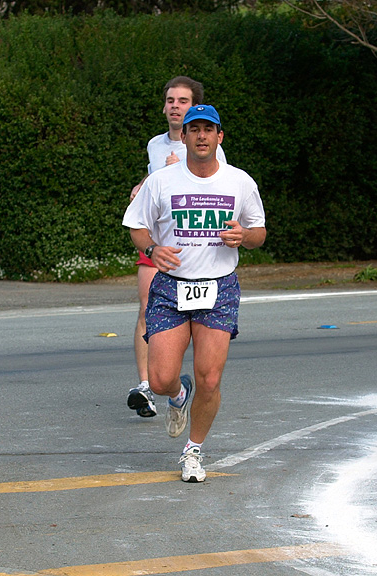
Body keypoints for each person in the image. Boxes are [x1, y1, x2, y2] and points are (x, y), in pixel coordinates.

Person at [122, 104, 266, 482]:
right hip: (171, 287)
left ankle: (193, 450)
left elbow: (259, 233)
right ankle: (178, 395)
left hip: (219, 287)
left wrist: (244, 236)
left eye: (209, 129)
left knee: (210, 378)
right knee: (159, 380)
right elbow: (136, 225)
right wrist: (152, 248)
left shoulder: (239, 182)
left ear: (220, 137)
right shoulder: (161, 181)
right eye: (194, 129)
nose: (202, 136)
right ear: (183, 137)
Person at [127, 76, 227, 418]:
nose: (175, 106)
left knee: (194, 321)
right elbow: (155, 181)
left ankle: (183, 380)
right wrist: (142, 186)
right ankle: (147, 384)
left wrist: (179, 172)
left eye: (182, 101)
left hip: (192, 244)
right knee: (146, 307)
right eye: (170, 100)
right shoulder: (155, 144)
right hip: (156, 241)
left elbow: (217, 186)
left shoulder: (207, 145)